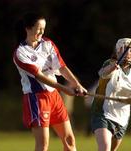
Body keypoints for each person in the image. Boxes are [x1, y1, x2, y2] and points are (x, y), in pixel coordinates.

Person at [13, 12, 87, 151]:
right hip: (36, 98)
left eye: (43, 28)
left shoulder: (48, 44)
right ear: (28, 29)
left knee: (69, 140)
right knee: (43, 145)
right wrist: (64, 89)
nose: (42, 32)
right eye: (39, 28)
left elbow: (62, 68)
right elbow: (39, 76)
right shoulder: (20, 53)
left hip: (54, 97)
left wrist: (77, 84)